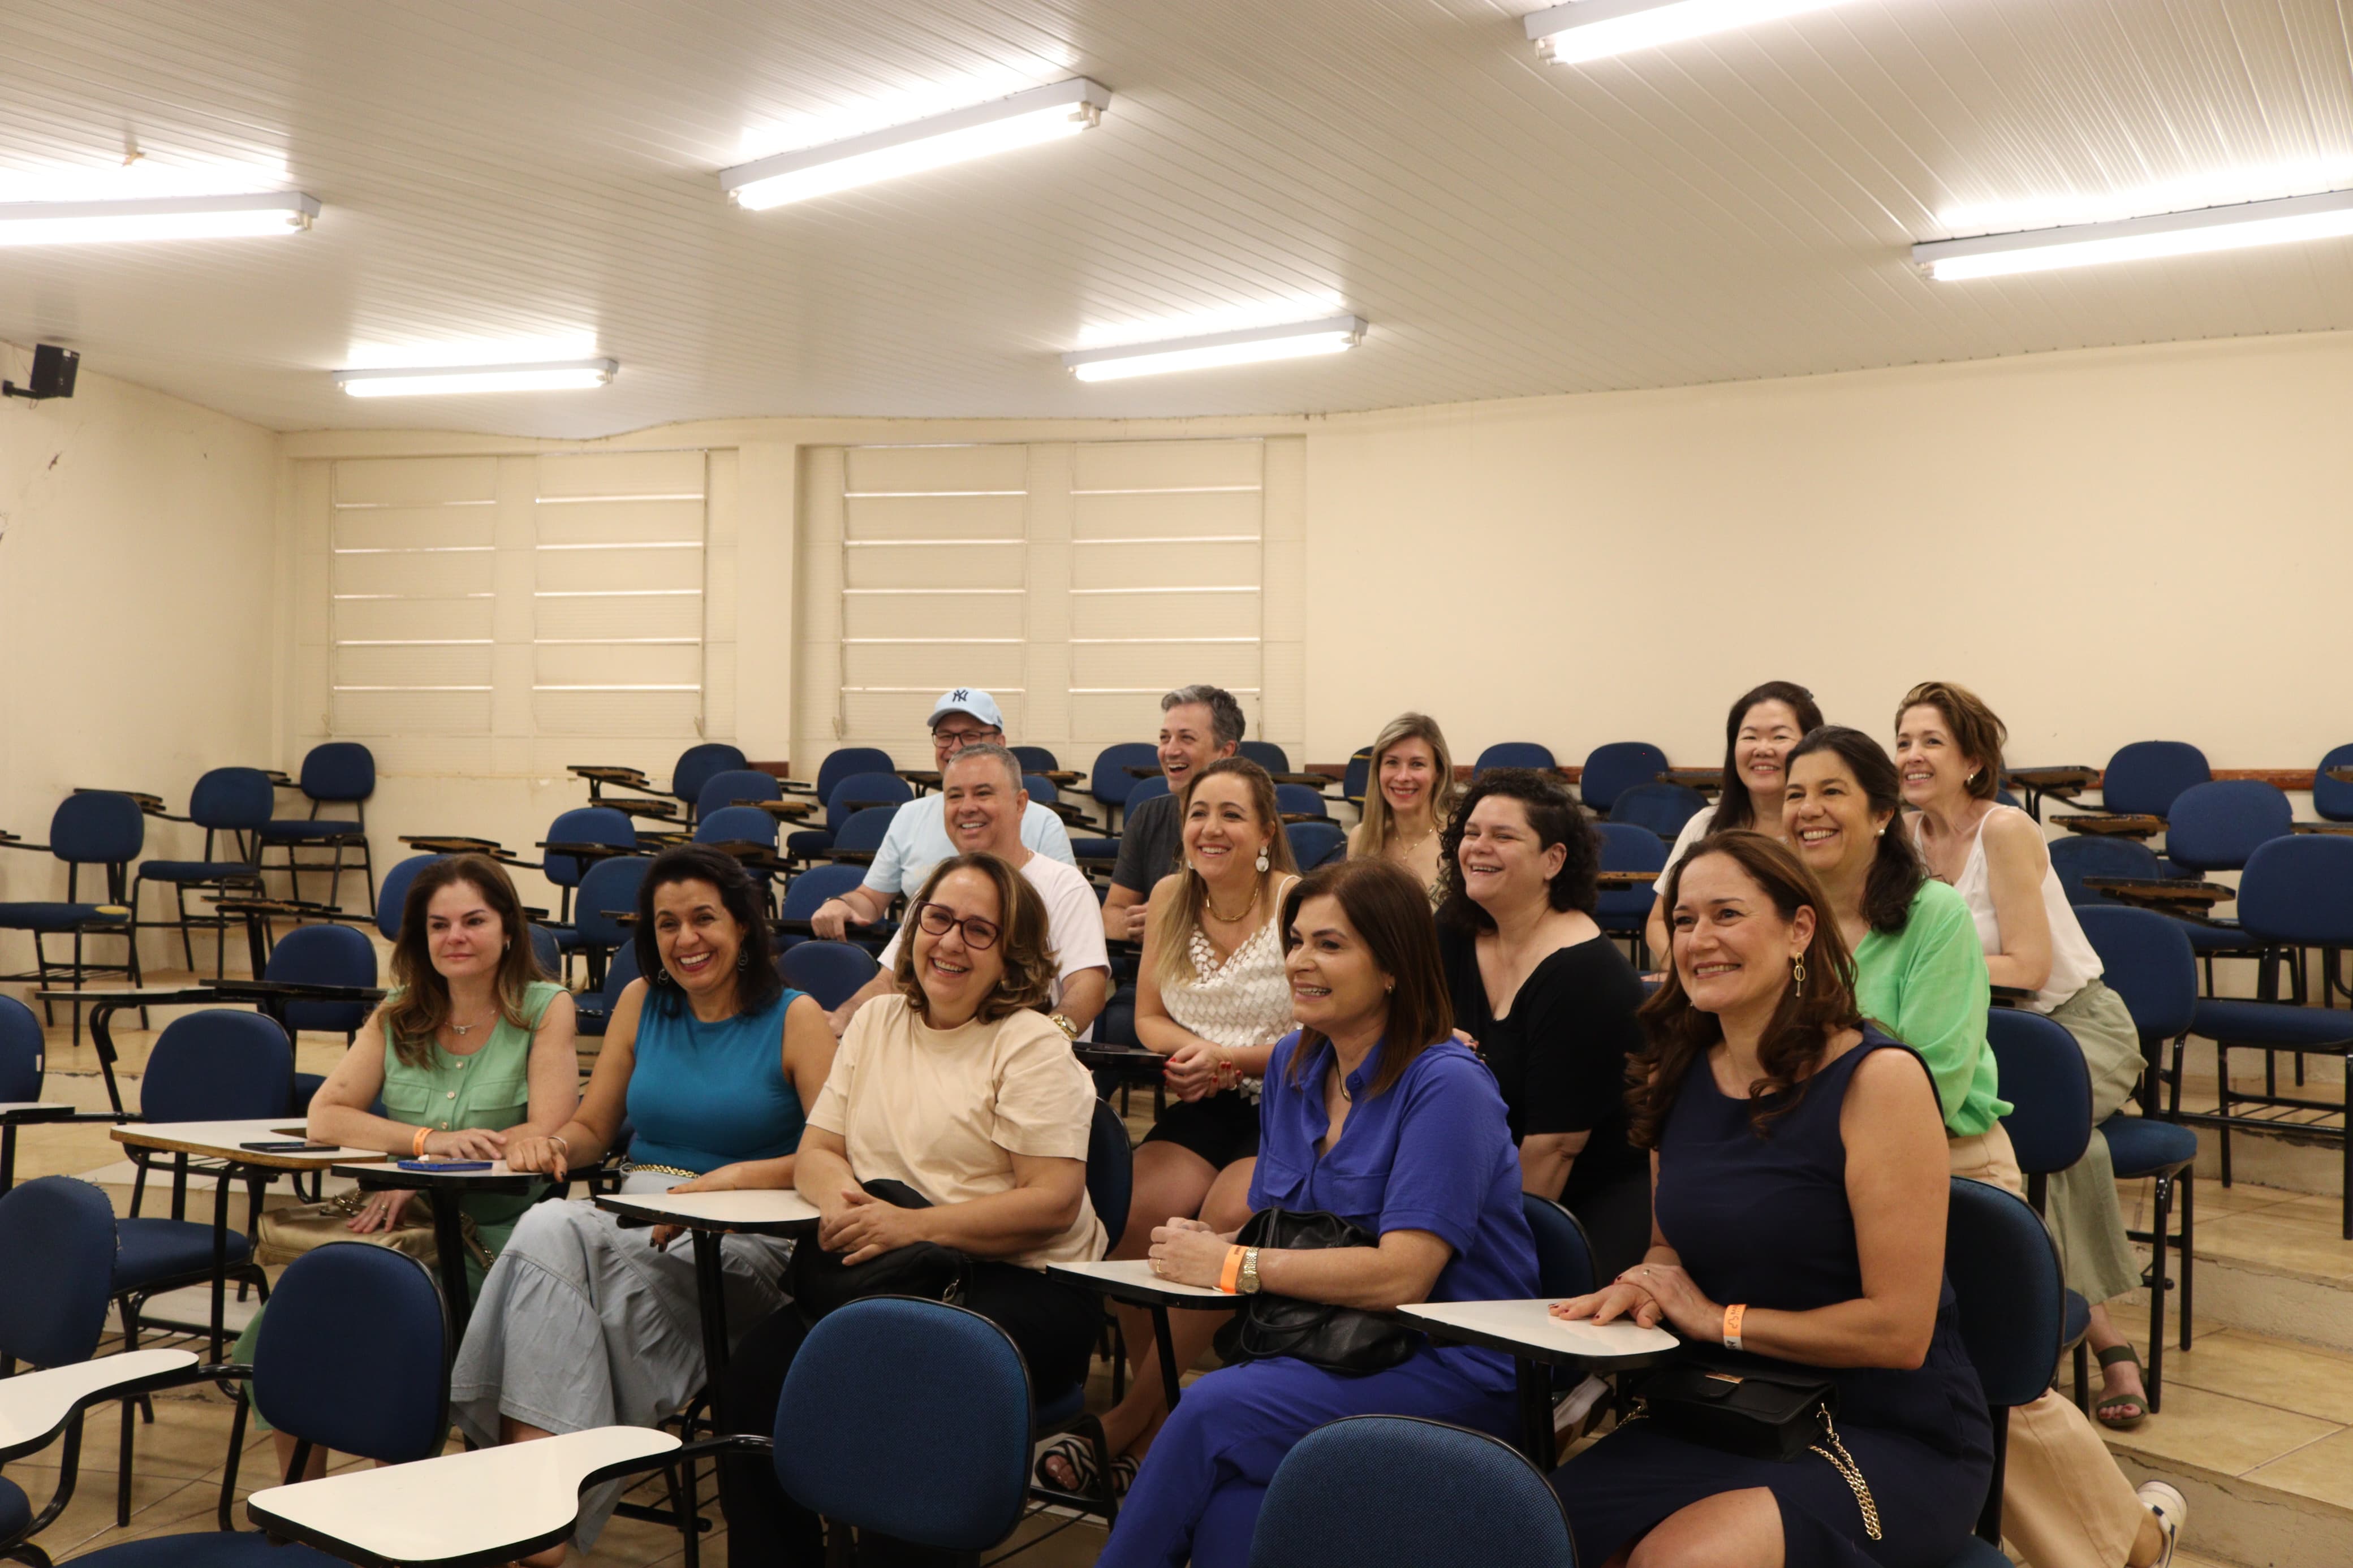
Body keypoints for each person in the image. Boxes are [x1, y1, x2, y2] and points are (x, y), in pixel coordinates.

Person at [1786, 726, 2186, 1568]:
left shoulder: (1930, 913)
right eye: (1794, 793)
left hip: (1954, 1163)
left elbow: (1930, 1072)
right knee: (1909, 1386)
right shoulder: (1792, 917)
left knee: (2005, 1389)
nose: (1807, 810)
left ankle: (2131, 1543)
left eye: (1830, 792)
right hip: (1829, 1169)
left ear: (1881, 811)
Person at [1552, 830, 1991, 1568]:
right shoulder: (1677, 1070)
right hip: (1723, 1408)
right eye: (1685, 919)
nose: (1700, 939)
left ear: (1799, 929)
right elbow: (1671, 1246)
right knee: (1522, 1530)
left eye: (1727, 914)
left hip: (1882, 1428)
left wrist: (1718, 1320)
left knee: (1679, 1563)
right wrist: (1645, 1283)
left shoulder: (1877, 1081)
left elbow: (1899, 1331)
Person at [1096, 858, 1541, 1568]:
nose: (1300, 962)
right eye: (1296, 941)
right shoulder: (1291, 1064)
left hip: (1451, 1365)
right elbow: (1297, 1228)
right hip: (1328, 1347)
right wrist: (1207, 1241)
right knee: (1229, 1521)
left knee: (1209, 1412)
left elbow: (1403, 1276)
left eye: (1330, 945)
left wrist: (1233, 1262)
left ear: (1393, 965)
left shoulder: (1447, 1084)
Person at [717, 852, 1107, 1566]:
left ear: (1013, 952)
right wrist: (857, 1214)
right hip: (896, 1266)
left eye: (979, 930)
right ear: (913, 925)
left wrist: (907, 1226)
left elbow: (1052, 1203)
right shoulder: (875, 1023)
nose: (951, 942)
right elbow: (818, 1152)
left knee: (905, 1379)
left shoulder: (1031, 1044)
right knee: (755, 1377)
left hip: (1023, 1280)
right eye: (938, 919)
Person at [447, 845, 835, 1560]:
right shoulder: (639, 1002)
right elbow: (595, 1128)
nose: (685, 939)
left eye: (703, 919)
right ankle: (539, 1529)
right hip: (631, 1223)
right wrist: (551, 1146)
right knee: (551, 1230)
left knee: (549, 1231)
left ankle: (523, 1515)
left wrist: (729, 1180)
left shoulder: (796, 1016)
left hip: (742, 1241)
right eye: (666, 924)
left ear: (743, 926)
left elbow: (836, 1153)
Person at [241, 854, 579, 1480]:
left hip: (495, 1241)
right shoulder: (399, 1010)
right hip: (404, 1225)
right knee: (295, 1316)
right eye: (438, 924)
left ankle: (396, 1516)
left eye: (473, 920)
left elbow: (547, 1129)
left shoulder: (542, 1006)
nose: (455, 937)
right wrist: (424, 1146)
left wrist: (424, 1173)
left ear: (507, 928)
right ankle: (298, 1513)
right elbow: (326, 1117)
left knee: (388, 1324)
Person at [1037, 758, 1300, 1497]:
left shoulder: (1299, 899)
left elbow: (1323, 1029)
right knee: (1140, 1221)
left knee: (1221, 1225)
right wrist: (1189, 1055)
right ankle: (1163, 1424)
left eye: (1231, 814)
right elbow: (1147, 1011)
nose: (1210, 828)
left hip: (1289, 1102)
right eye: (1198, 813)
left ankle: (1127, 1421)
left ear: (1265, 832)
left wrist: (1228, 1055)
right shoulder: (1170, 894)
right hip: (1205, 1098)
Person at [1897, 681, 2154, 1428]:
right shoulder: (1908, 840)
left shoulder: (2004, 830)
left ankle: (2095, 1338)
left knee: (2051, 1133)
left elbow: (2031, 967)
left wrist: (1927, 969)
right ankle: (2066, 1326)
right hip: (1985, 1029)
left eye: (1931, 741)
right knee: (2065, 1142)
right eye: (1905, 740)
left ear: (1975, 760)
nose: (1912, 755)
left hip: (2074, 1026)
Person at [1436, 769, 1650, 1279]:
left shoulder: (1586, 973)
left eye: (1503, 836)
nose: (1479, 847)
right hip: (1479, 1176)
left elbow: (1553, 1151)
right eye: (1472, 833)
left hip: (1580, 1197)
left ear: (1553, 860)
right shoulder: (1452, 929)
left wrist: (1472, 1257)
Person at [825, 744, 1109, 1041]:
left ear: (1020, 804)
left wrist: (1047, 1040)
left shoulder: (1064, 886)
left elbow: (1088, 988)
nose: (967, 807)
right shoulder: (935, 890)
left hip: (1030, 1072)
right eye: (955, 796)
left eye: (983, 793)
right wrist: (841, 1020)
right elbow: (889, 983)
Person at [810, 688, 1074, 940]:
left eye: (970, 735)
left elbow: (1064, 914)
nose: (955, 747)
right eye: (945, 736)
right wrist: (840, 904)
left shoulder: (1043, 823)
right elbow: (870, 899)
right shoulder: (910, 816)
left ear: (1001, 744)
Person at [1644, 680, 1823, 960]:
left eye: (1779, 737)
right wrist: (1689, 974)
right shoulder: (1705, 825)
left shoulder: (1822, 829)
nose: (1762, 749)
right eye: (1750, 737)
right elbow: (1658, 922)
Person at [1104, 684, 1247, 942]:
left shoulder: (1252, 822)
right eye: (1164, 738)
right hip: (1153, 971)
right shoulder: (1147, 816)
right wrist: (1139, 925)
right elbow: (1112, 914)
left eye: (1186, 738)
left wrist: (1179, 923)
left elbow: (1271, 915)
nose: (1170, 751)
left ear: (1225, 752)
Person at [1347, 711, 1458, 903]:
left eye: (1417, 764)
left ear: (1438, 772)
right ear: (1378, 770)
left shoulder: (1459, 840)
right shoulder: (1361, 838)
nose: (1403, 777)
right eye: (1392, 763)